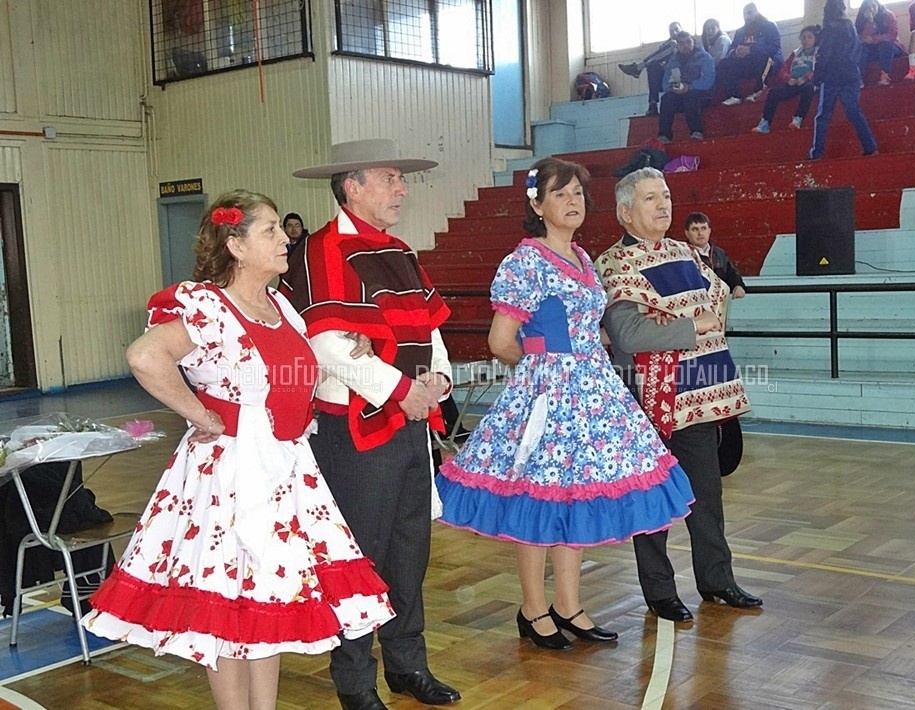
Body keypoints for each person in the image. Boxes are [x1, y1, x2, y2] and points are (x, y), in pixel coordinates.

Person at [82, 190, 394, 710]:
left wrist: (352, 343)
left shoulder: (279, 305)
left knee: (266, 592)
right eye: (270, 230)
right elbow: (145, 356)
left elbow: (296, 370)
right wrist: (201, 415)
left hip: (284, 467)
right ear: (236, 245)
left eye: (280, 228)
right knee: (229, 599)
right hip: (230, 473)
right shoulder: (207, 303)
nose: (283, 238)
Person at [435, 157, 694, 647]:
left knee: (572, 499)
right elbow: (500, 341)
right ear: (537, 204)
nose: (573, 201)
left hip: (592, 392)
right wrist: (544, 368)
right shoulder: (525, 261)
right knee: (537, 498)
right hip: (549, 397)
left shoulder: (581, 257)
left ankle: (569, 606)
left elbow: (588, 326)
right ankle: (533, 610)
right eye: (560, 194)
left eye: (577, 193)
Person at [279, 139, 460, 710]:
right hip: (353, 431)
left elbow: (429, 331)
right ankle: (355, 682)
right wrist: (404, 392)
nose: (401, 188)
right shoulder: (318, 251)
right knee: (360, 556)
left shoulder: (400, 251)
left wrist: (438, 384)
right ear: (351, 186)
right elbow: (328, 345)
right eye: (389, 178)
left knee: (410, 548)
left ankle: (408, 665)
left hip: (409, 422)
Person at [596, 168, 761, 623]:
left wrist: (676, 324)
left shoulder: (685, 252)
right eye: (651, 198)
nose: (663, 205)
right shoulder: (612, 263)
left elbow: (717, 301)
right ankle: (659, 591)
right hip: (647, 399)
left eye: (666, 195)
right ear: (625, 211)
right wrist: (691, 326)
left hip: (700, 392)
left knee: (707, 493)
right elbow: (629, 334)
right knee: (652, 499)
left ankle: (717, 580)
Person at [809, 0, 879, 161]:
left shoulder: (829, 28)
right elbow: (857, 51)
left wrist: (816, 78)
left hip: (832, 76)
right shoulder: (850, 26)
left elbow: (824, 55)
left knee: (823, 116)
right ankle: (870, 146)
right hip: (851, 74)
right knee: (854, 112)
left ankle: (816, 153)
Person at [751, 25, 819, 134]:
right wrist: (788, 78)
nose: (806, 40)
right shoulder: (796, 53)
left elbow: (820, 69)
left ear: (816, 39)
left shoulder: (819, 52)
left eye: (810, 37)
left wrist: (806, 78)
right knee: (773, 93)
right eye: (803, 37)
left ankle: (798, 119)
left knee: (808, 89)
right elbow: (784, 69)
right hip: (793, 82)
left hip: (808, 83)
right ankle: (765, 123)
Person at [717, 3, 783, 105]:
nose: (747, 16)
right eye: (744, 14)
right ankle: (734, 96)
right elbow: (731, 49)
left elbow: (774, 47)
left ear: (756, 12)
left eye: (749, 13)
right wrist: (736, 52)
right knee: (724, 63)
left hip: (767, 61)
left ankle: (758, 91)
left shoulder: (769, 26)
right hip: (747, 63)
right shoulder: (740, 32)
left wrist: (751, 50)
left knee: (761, 57)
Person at [657, 31, 715, 143]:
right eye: (682, 43)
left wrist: (689, 87)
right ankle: (664, 135)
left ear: (693, 42)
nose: (686, 45)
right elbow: (666, 83)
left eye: (688, 42)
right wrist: (674, 89)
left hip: (702, 95)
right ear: (677, 46)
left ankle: (697, 131)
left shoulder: (704, 57)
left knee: (690, 96)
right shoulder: (673, 61)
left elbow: (708, 80)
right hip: (680, 95)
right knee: (666, 99)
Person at [619, 21, 685, 116]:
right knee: (652, 65)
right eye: (671, 31)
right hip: (667, 78)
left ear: (682, 29)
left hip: (681, 77)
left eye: (676, 30)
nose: (674, 33)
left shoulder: (688, 42)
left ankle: (638, 68)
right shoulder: (665, 45)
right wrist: (664, 65)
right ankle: (652, 104)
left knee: (673, 46)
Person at [683, 212, 746, 298]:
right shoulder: (682, 255)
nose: (700, 233)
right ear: (687, 233)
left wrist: (738, 286)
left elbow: (732, 274)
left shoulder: (719, 253)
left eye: (703, 228)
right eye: (695, 229)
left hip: (720, 304)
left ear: (709, 231)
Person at [855, 0, 905, 85]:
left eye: (873, 6)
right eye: (868, 7)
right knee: (862, 48)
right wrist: (870, 21)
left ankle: (885, 76)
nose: (871, 9)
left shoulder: (888, 15)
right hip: (873, 50)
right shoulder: (862, 20)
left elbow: (892, 35)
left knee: (885, 44)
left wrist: (874, 39)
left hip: (890, 47)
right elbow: (863, 38)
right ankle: (859, 80)